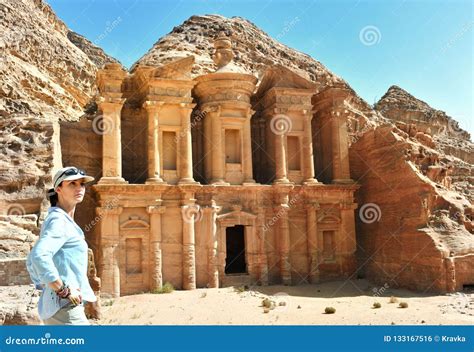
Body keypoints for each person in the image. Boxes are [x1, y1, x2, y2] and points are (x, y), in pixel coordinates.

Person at [27, 166, 97, 325]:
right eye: (72, 184)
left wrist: (46, 285)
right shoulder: (59, 221)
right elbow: (38, 256)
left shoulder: (59, 219)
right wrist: (62, 290)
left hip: (60, 307)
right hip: (65, 308)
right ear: (58, 189)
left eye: (82, 184)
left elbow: (31, 260)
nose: (79, 188)